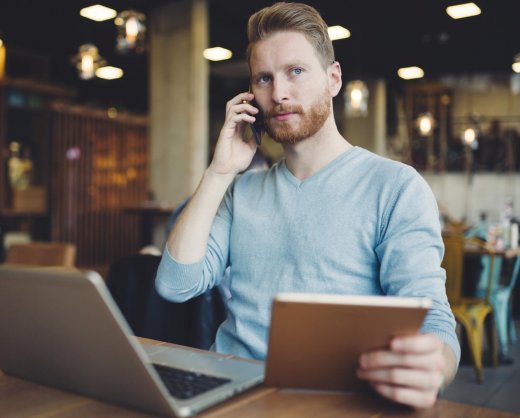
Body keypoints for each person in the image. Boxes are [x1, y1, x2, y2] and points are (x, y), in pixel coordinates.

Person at [156, 2, 459, 409]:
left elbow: (433, 318)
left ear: (333, 79)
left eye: (295, 71)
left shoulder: (395, 186)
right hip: (231, 395)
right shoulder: (241, 190)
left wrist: (434, 366)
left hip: (334, 400)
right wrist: (220, 171)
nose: (278, 93)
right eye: (264, 78)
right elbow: (175, 285)